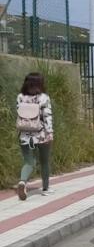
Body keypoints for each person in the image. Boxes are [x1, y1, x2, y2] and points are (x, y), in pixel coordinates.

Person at [15, 72, 54, 201]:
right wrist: (50, 133)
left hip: (25, 134)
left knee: (28, 162)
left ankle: (22, 182)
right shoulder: (44, 98)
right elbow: (47, 117)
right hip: (41, 135)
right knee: (44, 161)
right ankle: (46, 188)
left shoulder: (20, 97)